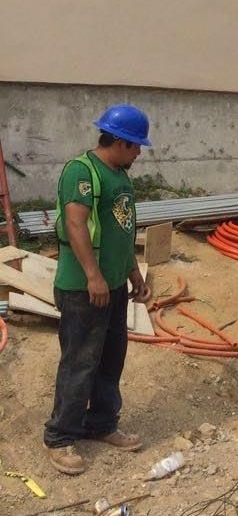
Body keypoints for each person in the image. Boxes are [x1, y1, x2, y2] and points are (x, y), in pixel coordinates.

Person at [44, 104, 153, 475]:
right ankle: (60, 437)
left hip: (115, 286)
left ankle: (101, 424)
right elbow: (75, 225)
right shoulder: (83, 172)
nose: (139, 152)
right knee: (79, 362)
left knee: (110, 358)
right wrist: (93, 275)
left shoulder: (121, 176)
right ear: (119, 142)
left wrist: (134, 272)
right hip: (83, 288)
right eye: (136, 146)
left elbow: (123, 229)